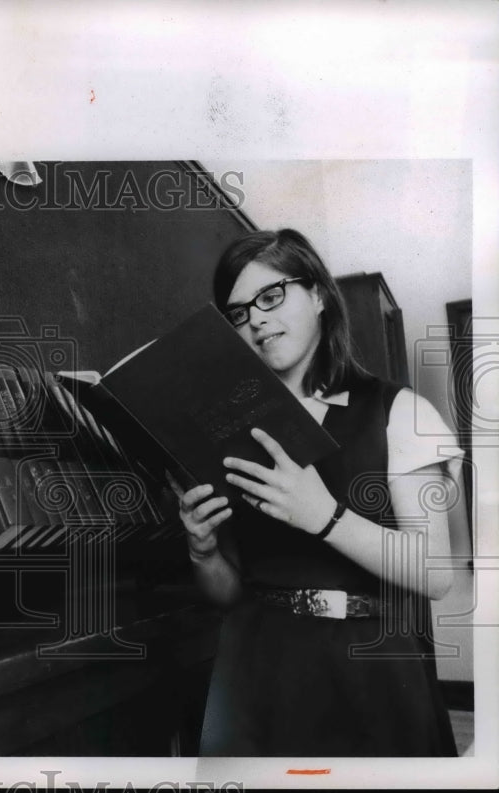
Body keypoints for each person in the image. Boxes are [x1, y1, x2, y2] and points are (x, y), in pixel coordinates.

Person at [170, 228, 461, 756]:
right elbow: (232, 594)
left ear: (320, 295)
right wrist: (203, 551)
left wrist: (325, 516)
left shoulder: (398, 410)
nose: (255, 318)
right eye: (237, 313)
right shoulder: (230, 432)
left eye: (271, 296)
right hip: (254, 672)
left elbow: (437, 573)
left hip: (368, 671)